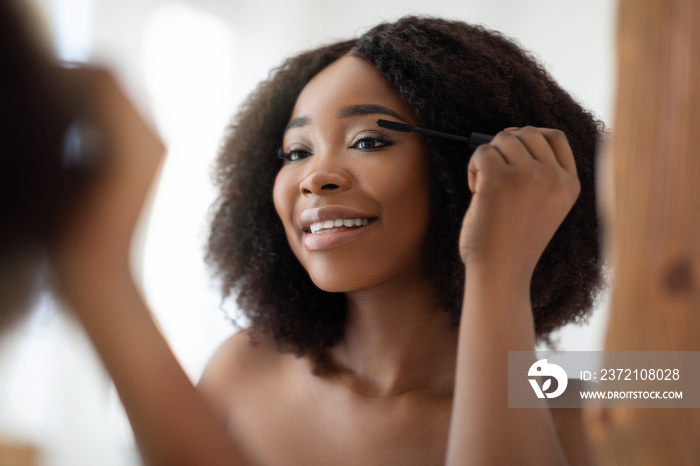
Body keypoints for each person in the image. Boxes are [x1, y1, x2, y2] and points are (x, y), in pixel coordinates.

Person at [199, 16, 603, 466]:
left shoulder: (621, 401)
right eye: (297, 152)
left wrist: (498, 268)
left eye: (369, 141)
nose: (315, 179)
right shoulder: (240, 372)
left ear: (477, 166)